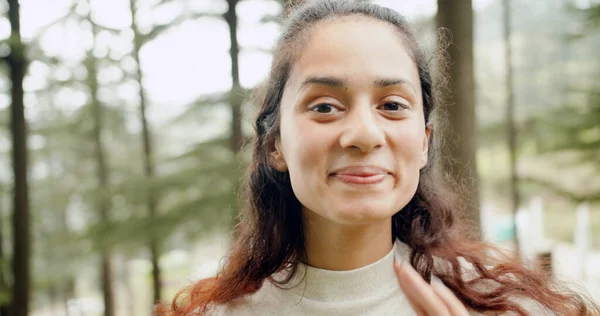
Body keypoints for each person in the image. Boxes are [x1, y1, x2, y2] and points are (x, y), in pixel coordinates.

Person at [156, 0, 599, 315]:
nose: (365, 135)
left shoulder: (511, 309)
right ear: (275, 145)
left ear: (423, 141)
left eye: (391, 105)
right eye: (325, 106)